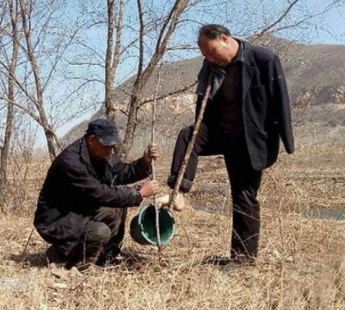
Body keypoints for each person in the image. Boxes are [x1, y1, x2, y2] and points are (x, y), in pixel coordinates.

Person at [162, 24, 294, 265]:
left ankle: (243, 259)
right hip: (220, 132)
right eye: (206, 56)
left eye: (212, 52)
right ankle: (178, 192)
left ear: (225, 39)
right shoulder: (210, 67)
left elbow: (280, 99)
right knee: (188, 135)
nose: (210, 58)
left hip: (251, 139)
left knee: (244, 195)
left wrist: (285, 141)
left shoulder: (263, 59)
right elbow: (204, 99)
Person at [34, 118, 160, 269]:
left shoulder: (102, 154)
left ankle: (106, 256)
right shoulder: (71, 162)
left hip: (81, 209)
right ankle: (62, 254)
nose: (111, 150)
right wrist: (139, 193)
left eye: (113, 146)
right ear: (92, 139)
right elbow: (101, 193)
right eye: (107, 146)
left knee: (118, 207)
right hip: (59, 220)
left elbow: (121, 173)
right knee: (100, 232)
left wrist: (144, 162)